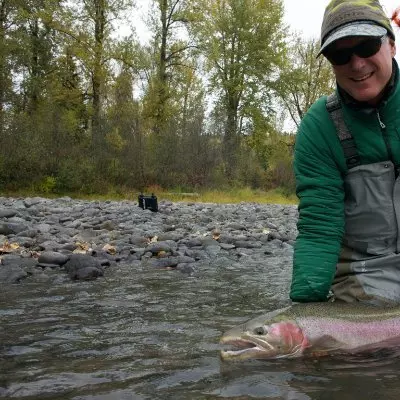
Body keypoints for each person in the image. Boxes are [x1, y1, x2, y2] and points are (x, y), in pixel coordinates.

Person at [290, 0, 400, 305]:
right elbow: (319, 226)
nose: (356, 63)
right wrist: (303, 315)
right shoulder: (319, 127)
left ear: (391, 45)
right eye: (340, 54)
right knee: (349, 352)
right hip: (366, 275)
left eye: (366, 46)